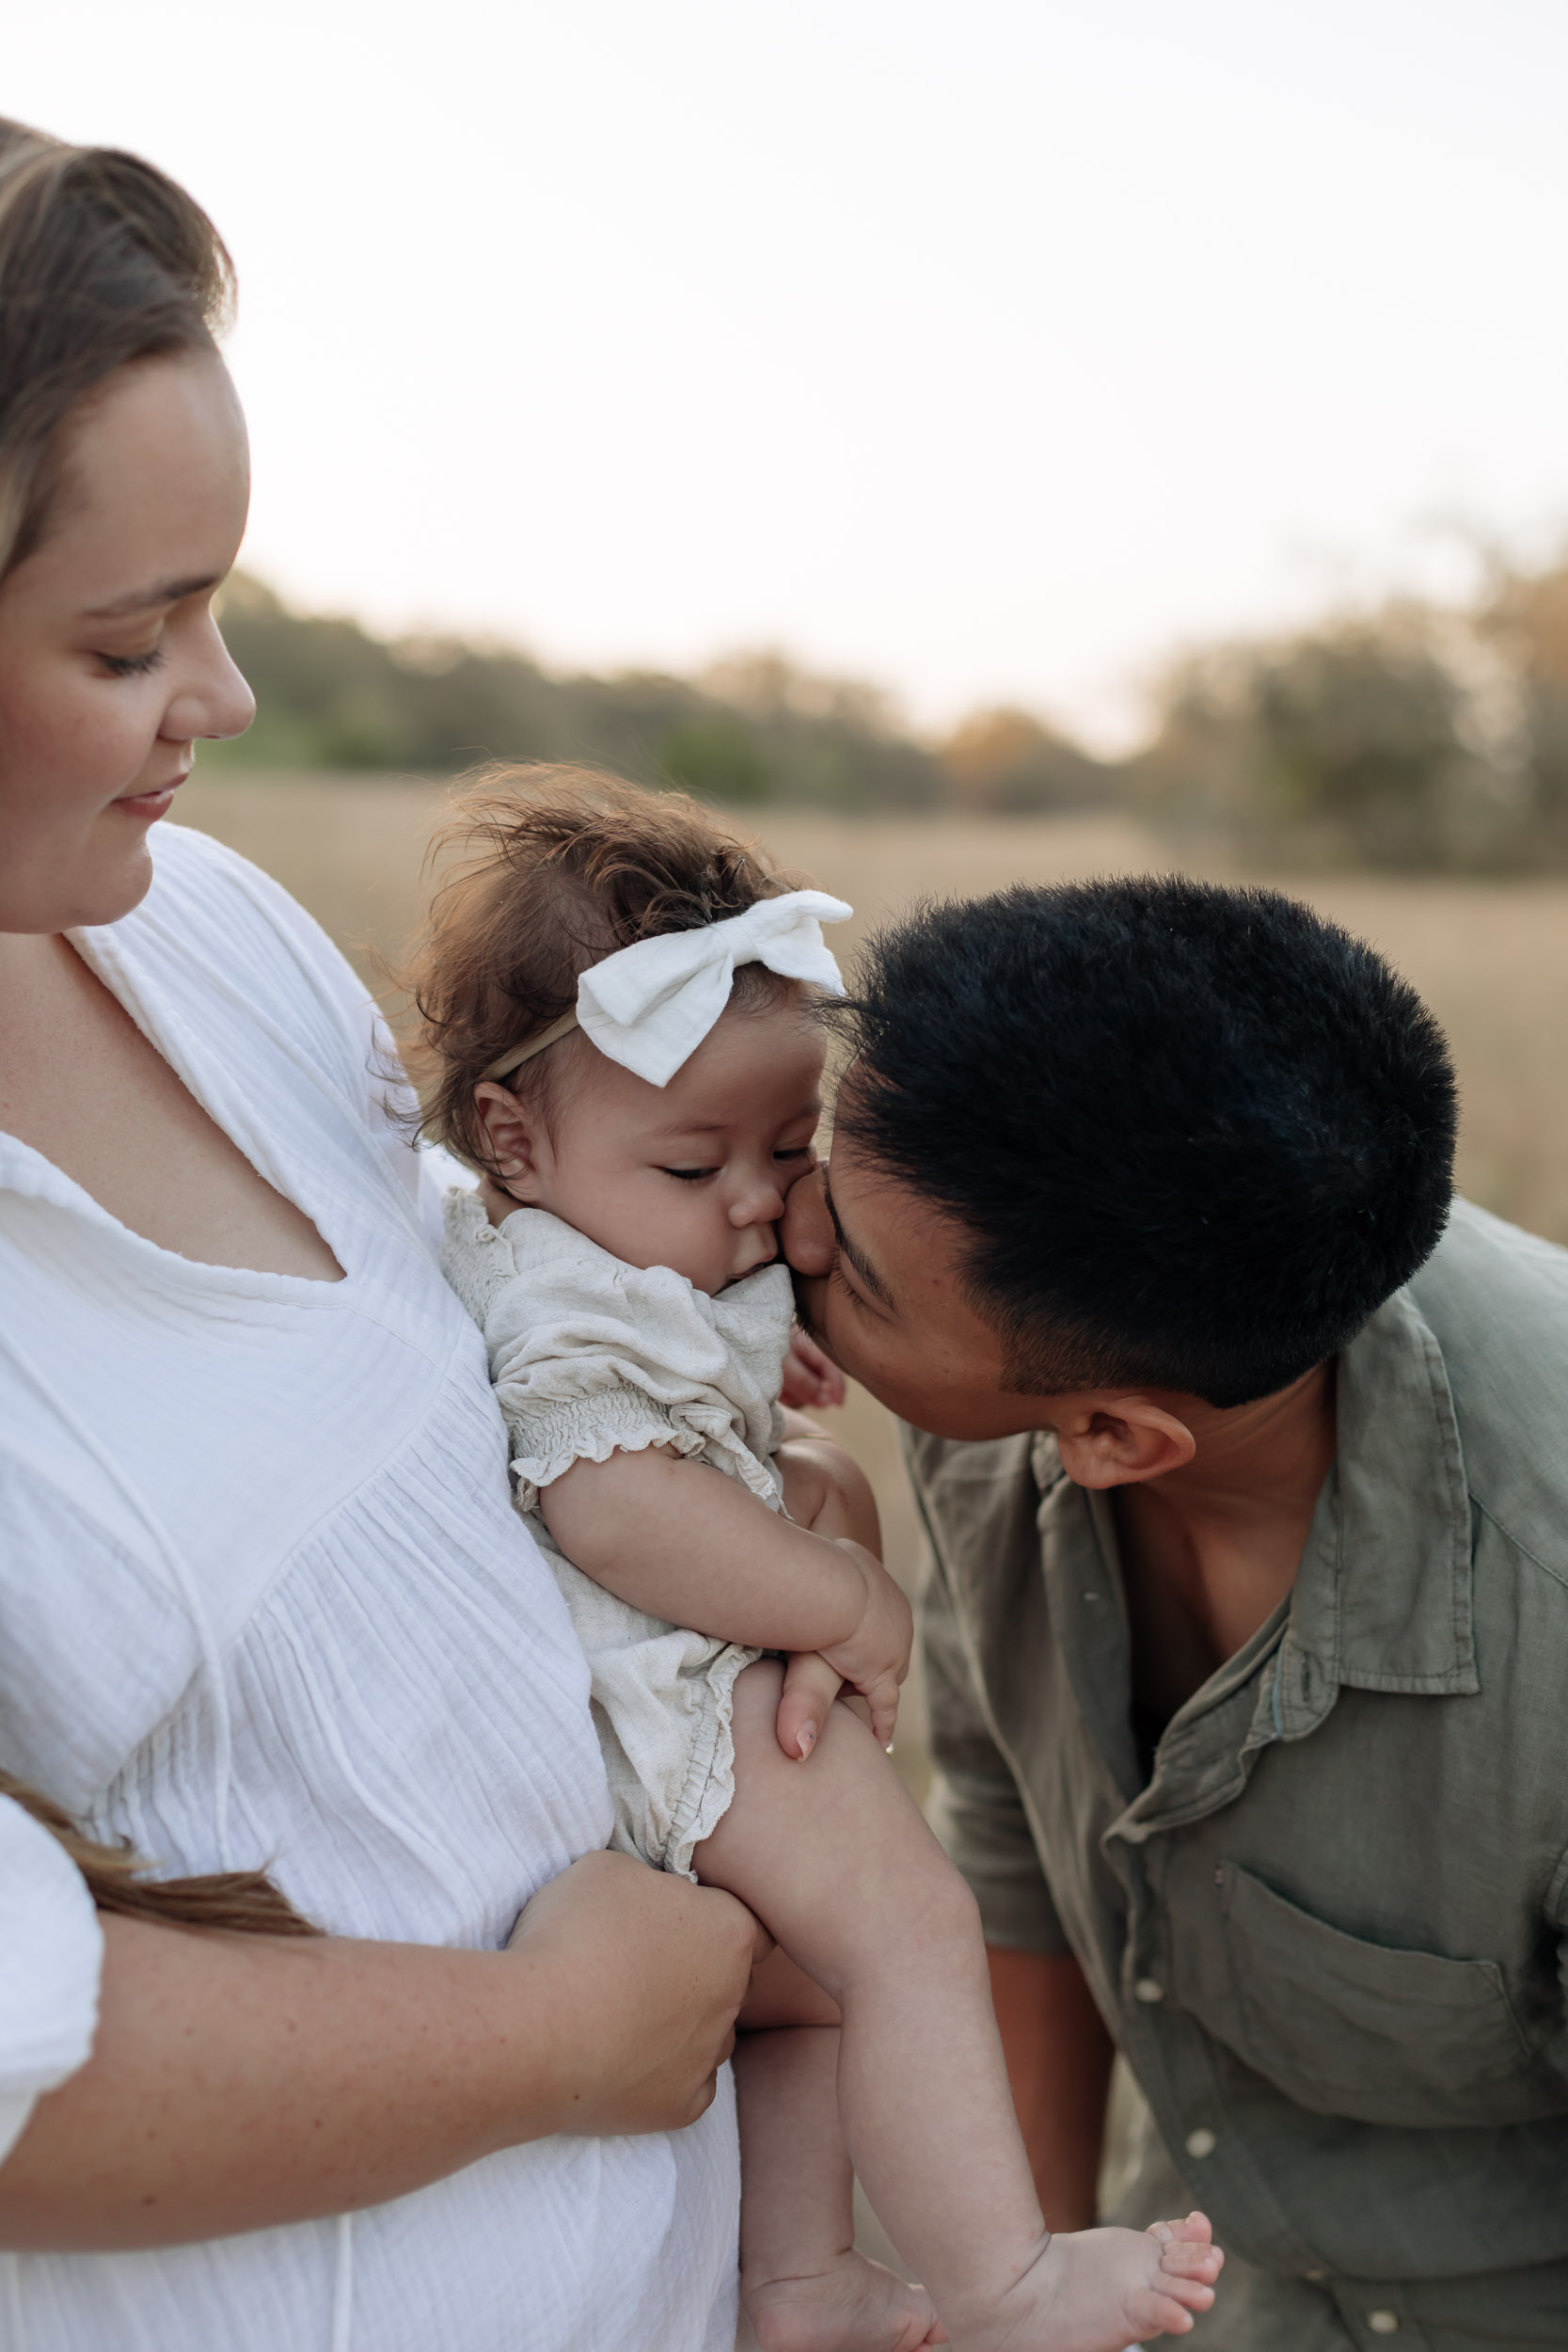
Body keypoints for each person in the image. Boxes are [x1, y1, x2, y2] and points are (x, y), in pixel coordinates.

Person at [0, 119, 764, 2351]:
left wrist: (733, 1464)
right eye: (132, 638)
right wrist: (560, 2046)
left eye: (216, 607)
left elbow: (487, 1368)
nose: (219, 702)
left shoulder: (197, 926)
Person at [413, 770, 1225, 2352]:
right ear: (509, 1136)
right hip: (672, 1693)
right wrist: (842, 1590)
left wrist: (770, 1412)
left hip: (679, 1689)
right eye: (692, 1165)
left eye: (789, 1151)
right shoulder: (575, 1306)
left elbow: (690, 1407)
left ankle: (796, 2281)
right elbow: (617, 1505)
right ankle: (1007, 2282)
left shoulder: (619, 1251)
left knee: (810, 1985)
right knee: (913, 1927)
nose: (752, 1206)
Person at [782, 875, 1568, 2351]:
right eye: (821, 1173)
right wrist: (1020, 2303)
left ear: (1119, 1440)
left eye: (861, 1282)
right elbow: (1010, 1845)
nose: (784, 1238)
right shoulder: (1016, 1372)